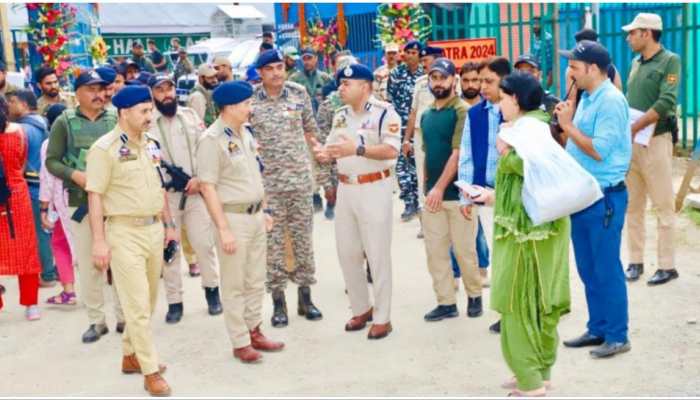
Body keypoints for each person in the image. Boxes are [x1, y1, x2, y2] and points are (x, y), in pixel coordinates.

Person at [481, 71, 571, 397]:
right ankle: (536, 371)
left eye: (503, 98)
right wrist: (491, 196)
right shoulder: (532, 125)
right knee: (538, 301)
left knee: (519, 302)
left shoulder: (528, 130)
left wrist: (506, 150)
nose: (499, 104)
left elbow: (534, 168)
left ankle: (531, 380)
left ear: (516, 99)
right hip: (533, 226)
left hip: (528, 231)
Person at [86, 85, 175, 396]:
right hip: (123, 233)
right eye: (144, 111)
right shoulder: (104, 149)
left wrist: (169, 225)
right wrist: (99, 241)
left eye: (150, 110)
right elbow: (94, 196)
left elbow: (159, 186)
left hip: (153, 229)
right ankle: (150, 371)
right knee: (137, 305)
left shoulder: (151, 143)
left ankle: (130, 355)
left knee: (148, 300)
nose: (150, 116)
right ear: (124, 113)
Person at [197, 80, 285, 363]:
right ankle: (239, 341)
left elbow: (256, 175)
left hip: (256, 216)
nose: (251, 108)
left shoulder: (245, 133)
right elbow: (207, 187)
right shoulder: (211, 140)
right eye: (247, 104)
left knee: (255, 278)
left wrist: (266, 210)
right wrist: (223, 230)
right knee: (234, 283)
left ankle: (254, 329)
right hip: (232, 219)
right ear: (232, 107)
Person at [555, 40, 632, 359]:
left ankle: (617, 334)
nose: (568, 70)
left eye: (573, 66)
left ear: (593, 69)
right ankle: (598, 326)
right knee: (588, 267)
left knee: (606, 267)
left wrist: (568, 126)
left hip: (605, 198)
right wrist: (566, 123)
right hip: (583, 197)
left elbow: (599, 150)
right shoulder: (587, 97)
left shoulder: (611, 101)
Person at [314, 63, 400, 339]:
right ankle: (361, 308)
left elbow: (391, 149)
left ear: (365, 86)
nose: (341, 87)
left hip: (374, 185)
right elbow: (332, 147)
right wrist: (324, 153)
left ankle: (383, 317)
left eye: (347, 83)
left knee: (377, 253)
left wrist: (358, 149)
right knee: (347, 252)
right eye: (340, 83)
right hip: (346, 188)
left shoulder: (384, 112)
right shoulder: (340, 115)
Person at [46, 70, 126, 343]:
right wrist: (74, 175)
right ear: (77, 92)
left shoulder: (116, 118)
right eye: (91, 89)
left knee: (120, 262)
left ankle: (124, 316)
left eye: (101, 88)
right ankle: (96, 320)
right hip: (80, 205)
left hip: (116, 204)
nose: (98, 94)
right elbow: (52, 161)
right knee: (90, 263)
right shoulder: (64, 122)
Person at [249, 49, 323, 327]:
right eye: (270, 69)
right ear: (261, 73)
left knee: (304, 241)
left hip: (300, 182)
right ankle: (278, 301)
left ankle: (306, 298)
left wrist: (320, 160)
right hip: (269, 187)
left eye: (280, 67)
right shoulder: (251, 101)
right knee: (274, 245)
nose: (277, 73)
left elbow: (310, 131)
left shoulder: (298, 93)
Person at [147, 74, 222, 323]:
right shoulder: (148, 123)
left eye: (169, 88)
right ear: (153, 94)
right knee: (170, 250)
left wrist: (200, 178)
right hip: (164, 197)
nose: (167, 94)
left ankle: (212, 292)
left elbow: (205, 149)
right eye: (160, 90)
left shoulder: (190, 116)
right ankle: (174, 302)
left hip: (196, 191)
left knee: (204, 244)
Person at [418, 58, 483, 322]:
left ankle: (475, 295)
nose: (438, 83)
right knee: (435, 252)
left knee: (465, 250)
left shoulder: (462, 111)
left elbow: (457, 154)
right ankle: (446, 302)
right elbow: (427, 153)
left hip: (458, 196)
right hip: (433, 196)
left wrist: (439, 187)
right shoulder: (426, 115)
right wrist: (427, 188)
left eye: (443, 78)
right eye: (434, 78)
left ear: (452, 80)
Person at [623, 13, 681, 286]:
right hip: (633, 143)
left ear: (647, 33)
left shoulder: (670, 60)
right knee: (633, 205)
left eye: (633, 33)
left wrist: (636, 127)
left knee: (662, 205)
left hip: (656, 140)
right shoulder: (635, 63)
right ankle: (636, 261)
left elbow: (666, 100)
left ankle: (667, 266)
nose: (628, 37)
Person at [457, 57, 512, 334]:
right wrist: (467, 195)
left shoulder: (517, 113)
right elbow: (466, 155)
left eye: (488, 81)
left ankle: (519, 311)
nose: (481, 87)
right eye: (479, 81)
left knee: (515, 255)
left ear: (505, 81)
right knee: (500, 256)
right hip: (485, 194)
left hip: (512, 194)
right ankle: (507, 312)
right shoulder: (476, 114)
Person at [6, 90, 56, 286]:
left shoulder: (22, 129)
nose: (9, 106)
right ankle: (53, 270)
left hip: (31, 187)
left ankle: (48, 274)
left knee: (38, 232)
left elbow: (18, 160)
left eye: (12, 102)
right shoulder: (42, 123)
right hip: (45, 184)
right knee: (47, 230)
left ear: (24, 105)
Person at [0, 96, 42, 320]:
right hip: (17, 194)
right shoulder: (18, 132)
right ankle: (31, 305)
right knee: (26, 250)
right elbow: (21, 161)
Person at [403, 46, 445, 230]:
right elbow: (413, 113)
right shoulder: (420, 82)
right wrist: (407, 139)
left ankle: (444, 214)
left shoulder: (452, 80)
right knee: (422, 176)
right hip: (421, 134)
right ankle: (425, 221)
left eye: (425, 60)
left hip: (443, 134)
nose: (423, 64)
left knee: (444, 173)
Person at [40, 103, 77, 306]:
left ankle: (69, 291)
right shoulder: (79, 140)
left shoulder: (48, 145)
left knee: (60, 244)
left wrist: (44, 209)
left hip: (61, 203)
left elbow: (46, 179)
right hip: (84, 199)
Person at [387, 40, 424, 221]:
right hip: (399, 127)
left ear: (420, 55)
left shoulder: (425, 75)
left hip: (419, 128)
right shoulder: (395, 74)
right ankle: (408, 202)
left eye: (414, 52)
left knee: (418, 165)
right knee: (401, 166)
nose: (409, 55)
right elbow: (390, 98)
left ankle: (419, 201)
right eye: (407, 52)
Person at [289, 48, 332, 113]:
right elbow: (290, 103)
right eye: (304, 59)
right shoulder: (294, 79)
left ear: (316, 58)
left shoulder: (325, 78)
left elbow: (331, 100)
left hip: (322, 117)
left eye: (309, 58)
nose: (306, 62)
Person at [531, 16, 554, 88]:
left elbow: (551, 61)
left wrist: (548, 81)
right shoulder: (534, 38)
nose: (535, 26)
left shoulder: (548, 39)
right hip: (535, 73)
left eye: (537, 24)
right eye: (533, 24)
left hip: (545, 75)